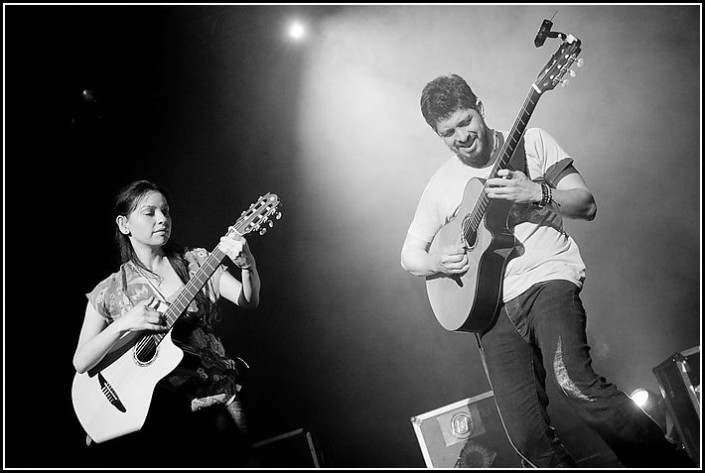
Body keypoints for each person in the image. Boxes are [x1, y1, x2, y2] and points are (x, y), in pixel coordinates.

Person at [400, 74, 695, 468]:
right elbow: (409, 255)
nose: (462, 136)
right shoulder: (439, 186)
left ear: (481, 109)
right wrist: (436, 262)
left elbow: (586, 204)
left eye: (466, 122)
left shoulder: (532, 141)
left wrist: (536, 192)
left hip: (547, 280)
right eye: (448, 132)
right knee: (527, 438)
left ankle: (666, 462)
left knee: (574, 382)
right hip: (490, 311)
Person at [73, 179, 261, 467]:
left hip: (216, 399)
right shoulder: (108, 291)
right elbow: (81, 362)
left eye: (166, 212)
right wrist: (122, 323)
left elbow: (247, 300)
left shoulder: (196, 263)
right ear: (124, 224)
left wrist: (248, 265)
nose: (162, 219)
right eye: (149, 213)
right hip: (158, 418)